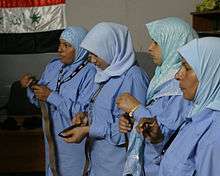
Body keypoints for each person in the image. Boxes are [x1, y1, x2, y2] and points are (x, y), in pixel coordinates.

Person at [62, 22, 150, 176]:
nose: (93, 60)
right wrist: (86, 118)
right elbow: (105, 114)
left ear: (112, 48)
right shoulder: (104, 74)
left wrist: (88, 130)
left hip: (117, 166)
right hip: (98, 163)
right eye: (90, 55)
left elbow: (134, 128)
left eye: (97, 54)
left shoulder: (134, 77)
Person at [116, 17, 198, 176]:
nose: (149, 48)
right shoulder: (162, 77)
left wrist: (136, 109)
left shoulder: (182, 86)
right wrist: (131, 119)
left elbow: (162, 134)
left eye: (156, 42)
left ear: (173, 44)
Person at [24, 26, 96, 176]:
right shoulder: (53, 66)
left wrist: (51, 96)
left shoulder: (91, 72)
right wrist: (32, 87)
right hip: (51, 138)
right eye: (60, 44)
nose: (60, 50)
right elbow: (40, 102)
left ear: (80, 48)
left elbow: (84, 115)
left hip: (74, 142)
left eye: (66, 45)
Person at [157, 37, 220, 176]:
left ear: (210, 73)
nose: (177, 75)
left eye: (187, 67)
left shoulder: (215, 135)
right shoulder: (197, 114)